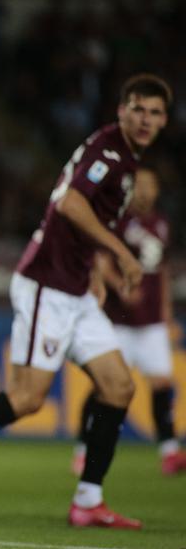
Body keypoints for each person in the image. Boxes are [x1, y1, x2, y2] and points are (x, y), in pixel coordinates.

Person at [0, 74, 172, 529]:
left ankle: (88, 500)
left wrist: (96, 268)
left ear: (164, 121)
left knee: (119, 385)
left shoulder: (123, 158)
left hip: (75, 287)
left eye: (155, 113)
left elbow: (85, 221)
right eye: (138, 109)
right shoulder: (109, 152)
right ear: (121, 110)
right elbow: (71, 206)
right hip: (47, 285)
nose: (146, 119)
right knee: (26, 400)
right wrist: (120, 252)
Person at [72, 168, 185, 476]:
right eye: (140, 185)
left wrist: (165, 311)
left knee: (162, 382)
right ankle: (82, 448)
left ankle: (169, 452)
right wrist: (121, 285)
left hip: (151, 322)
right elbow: (102, 260)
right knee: (104, 386)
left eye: (151, 185)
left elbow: (160, 271)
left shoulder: (161, 223)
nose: (145, 191)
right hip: (118, 320)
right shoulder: (117, 221)